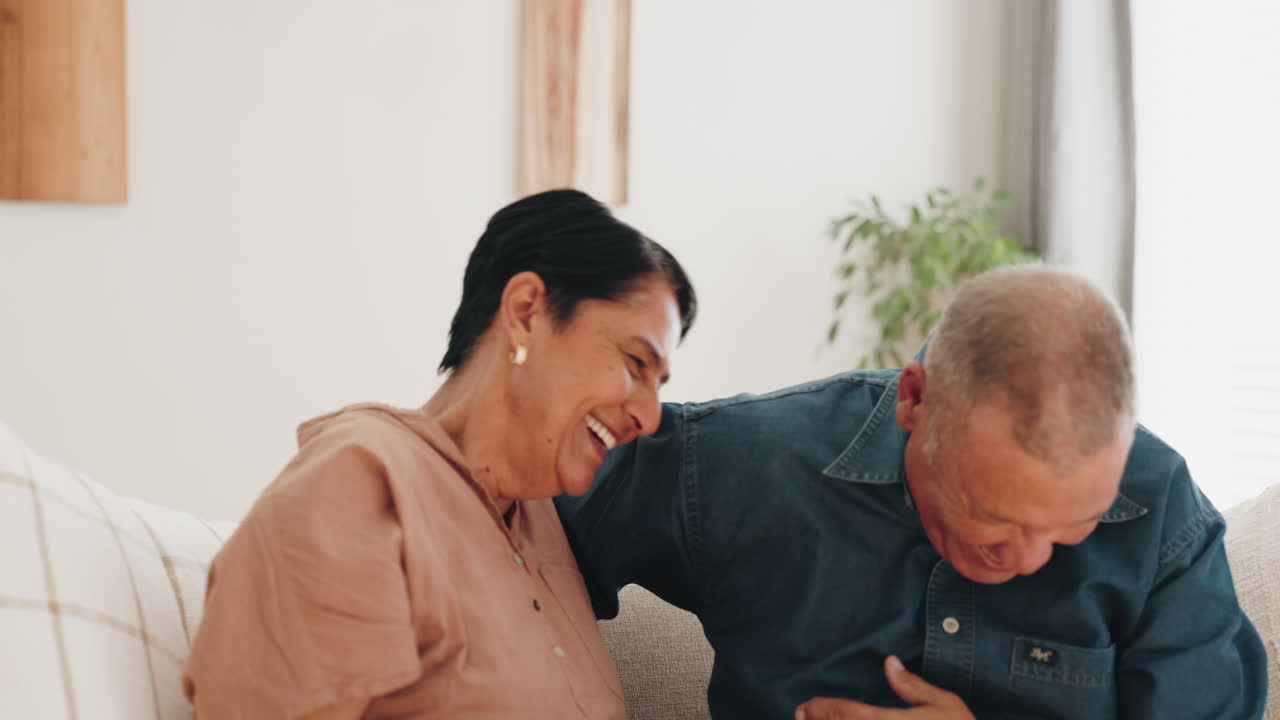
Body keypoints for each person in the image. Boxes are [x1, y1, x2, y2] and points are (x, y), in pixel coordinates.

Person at [556, 265, 1267, 719]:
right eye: (991, 516)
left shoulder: (1163, 517)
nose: (1027, 558)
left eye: (1075, 525)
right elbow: (508, 517)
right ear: (915, 400)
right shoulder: (747, 465)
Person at [183, 189, 697, 719]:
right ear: (526, 312)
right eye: (636, 363)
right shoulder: (361, 480)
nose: (650, 417)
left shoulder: (541, 518)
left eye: (658, 383)